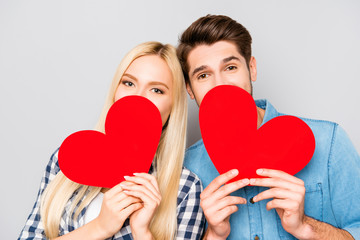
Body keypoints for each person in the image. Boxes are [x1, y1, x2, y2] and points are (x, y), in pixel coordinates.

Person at [177, 15, 360, 240]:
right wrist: (213, 235)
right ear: (190, 89)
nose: (220, 85)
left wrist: (306, 227)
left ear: (252, 68)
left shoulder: (329, 142)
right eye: (203, 75)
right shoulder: (186, 170)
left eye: (231, 67)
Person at [18, 41, 205, 240]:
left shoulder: (185, 188)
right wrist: (100, 227)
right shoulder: (68, 159)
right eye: (129, 83)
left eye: (157, 90)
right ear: (115, 91)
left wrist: (142, 233)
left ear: (173, 107)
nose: (138, 97)